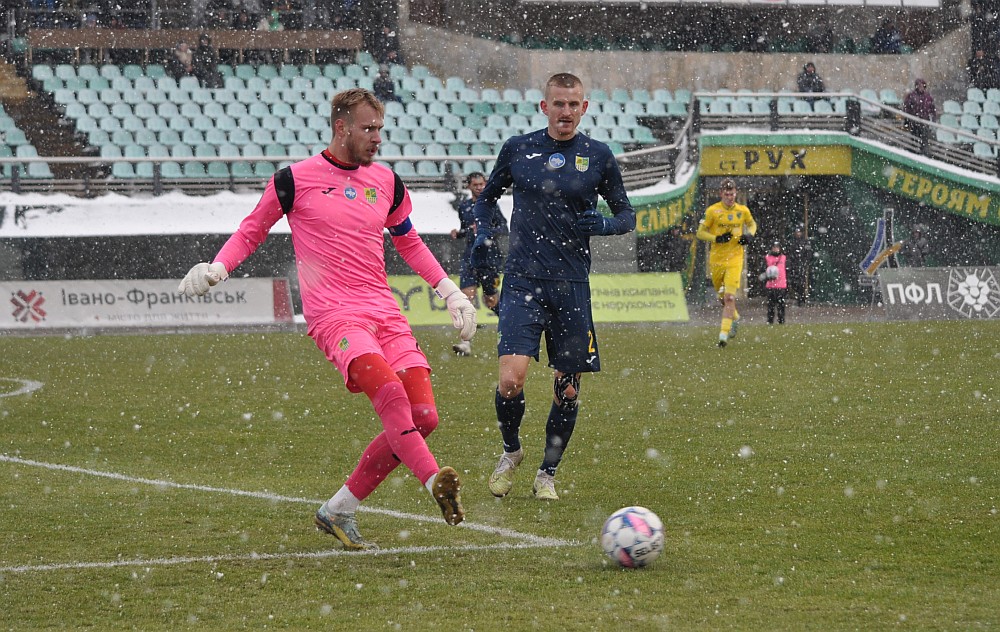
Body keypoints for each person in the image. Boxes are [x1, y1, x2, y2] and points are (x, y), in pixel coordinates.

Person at [177, 88, 476, 549]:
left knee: (424, 416)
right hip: (335, 316)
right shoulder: (294, 180)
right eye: (368, 129)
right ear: (341, 127)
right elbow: (251, 230)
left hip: (385, 312)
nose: (377, 138)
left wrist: (450, 291)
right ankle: (433, 480)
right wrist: (218, 268)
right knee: (392, 395)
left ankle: (337, 510)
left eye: (380, 128)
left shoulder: (388, 182)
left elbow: (409, 242)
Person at [472, 72, 636, 502]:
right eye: (558, 104)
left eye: (573, 104)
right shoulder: (518, 149)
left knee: (567, 388)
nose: (566, 112)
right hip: (523, 278)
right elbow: (486, 198)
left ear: (585, 108)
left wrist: (603, 224)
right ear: (543, 107)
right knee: (511, 380)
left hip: (571, 285)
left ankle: (547, 473)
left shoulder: (598, 156)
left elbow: (626, 215)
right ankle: (511, 452)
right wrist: (484, 234)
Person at [449, 171, 508, 356]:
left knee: (491, 300)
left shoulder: (491, 204)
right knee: (467, 299)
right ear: (469, 186)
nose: (480, 188)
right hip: (470, 258)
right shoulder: (464, 207)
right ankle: (465, 343)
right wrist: (459, 233)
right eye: (476, 185)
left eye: (482, 184)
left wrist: (486, 231)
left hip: (489, 259)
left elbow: (504, 227)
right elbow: (467, 230)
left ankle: (509, 328)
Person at [695, 178, 757, 348]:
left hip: (735, 259)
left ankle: (723, 336)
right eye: (727, 194)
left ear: (736, 193)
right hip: (716, 260)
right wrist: (717, 238)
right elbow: (700, 233)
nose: (730, 197)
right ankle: (735, 318)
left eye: (732, 193)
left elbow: (752, 225)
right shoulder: (712, 211)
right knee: (723, 299)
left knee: (730, 297)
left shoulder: (742, 211)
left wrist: (749, 235)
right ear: (721, 194)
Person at [902, 78, 936, 152]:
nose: (921, 87)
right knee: (914, 139)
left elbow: (932, 109)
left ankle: (923, 154)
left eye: (922, 86)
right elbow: (906, 107)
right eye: (919, 85)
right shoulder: (911, 96)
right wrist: (908, 119)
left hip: (924, 122)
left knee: (924, 141)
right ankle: (913, 152)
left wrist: (933, 120)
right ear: (916, 86)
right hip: (914, 122)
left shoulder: (928, 97)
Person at [786, 225, 812, 306]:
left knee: (801, 283)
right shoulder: (792, 242)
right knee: (794, 282)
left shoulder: (805, 242)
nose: (798, 233)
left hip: (801, 264)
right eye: (797, 232)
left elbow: (808, 253)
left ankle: (801, 299)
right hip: (794, 265)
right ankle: (799, 297)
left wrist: (805, 262)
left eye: (799, 232)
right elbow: (789, 253)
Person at [764, 242, 787, 325]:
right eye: (774, 247)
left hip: (781, 285)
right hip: (770, 286)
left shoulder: (784, 258)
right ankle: (770, 321)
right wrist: (768, 276)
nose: (776, 249)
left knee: (781, 305)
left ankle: (781, 320)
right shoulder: (767, 258)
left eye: (777, 247)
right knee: (771, 305)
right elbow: (763, 270)